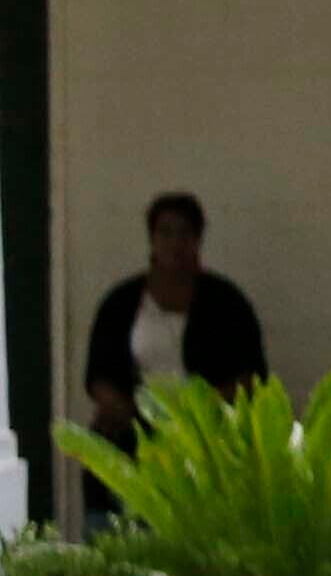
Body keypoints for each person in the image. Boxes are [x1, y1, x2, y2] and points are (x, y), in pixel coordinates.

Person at [78, 192, 267, 458]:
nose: (175, 243)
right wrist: (130, 413)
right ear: (152, 239)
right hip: (135, 425)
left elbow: (250, 377)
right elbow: (99, 374)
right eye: (165, 232)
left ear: (198, 239)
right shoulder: (121, 302)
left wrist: (197, 416)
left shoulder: (227, 302)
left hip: (208, 430)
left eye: (184, 233)